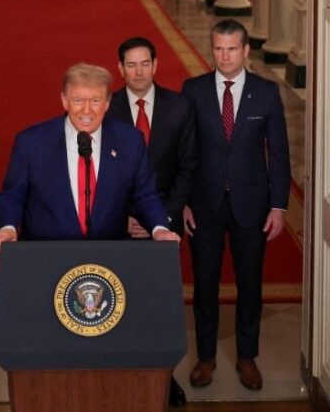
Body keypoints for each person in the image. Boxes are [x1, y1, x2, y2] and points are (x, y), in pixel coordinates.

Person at [180, 19, 291, 392]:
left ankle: (247, 357)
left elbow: (278, 154)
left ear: (245, 51)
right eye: (218, 49)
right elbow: (185, 152)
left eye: (231, 49)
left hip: (252, 206)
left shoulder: (266, 93)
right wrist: (183, 204)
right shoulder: (192, 90)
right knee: (205, 283)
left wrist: (278, 207)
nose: (224, 57)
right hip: (204, 204)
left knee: (249, 283)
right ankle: (206, 357)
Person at [0, 63, 181, 259]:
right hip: (46, 259)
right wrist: (7, 228)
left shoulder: (129, 141)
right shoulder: (31, 143)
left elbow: (145, 195)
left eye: (96, 100)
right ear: (64, 100)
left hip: (109, 260)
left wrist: (160, 229)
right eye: (78, 100)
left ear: (107, 103)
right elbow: (12, 197)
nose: (87, 110)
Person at [109, 37, 197, 408]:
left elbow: (188, 167)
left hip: (164, 224)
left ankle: (165, 376)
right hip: (118, 224)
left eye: (145, 64)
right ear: (120, 69)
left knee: (160, 303)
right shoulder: (107, 108)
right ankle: (118, 371)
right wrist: (124, 217)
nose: (139, 72)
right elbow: (99, 172)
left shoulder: (179, 107)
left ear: (156, 65)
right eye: (131, 65)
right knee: (119, 300)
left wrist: (162, 219)